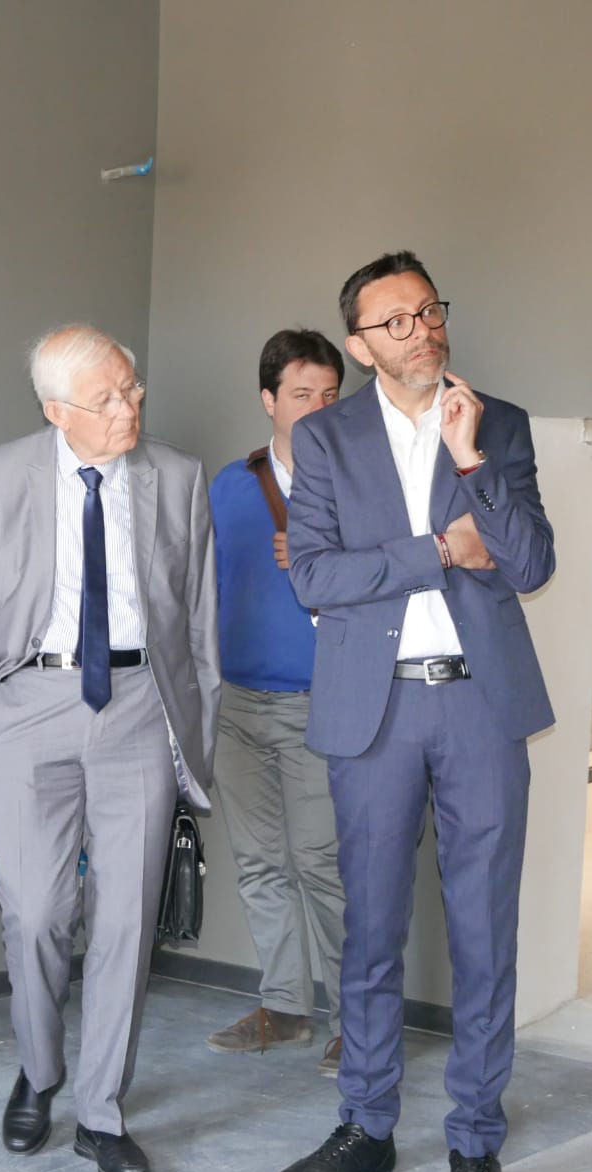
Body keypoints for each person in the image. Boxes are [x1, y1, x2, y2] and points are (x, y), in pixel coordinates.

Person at [278, 253, 554, 1172]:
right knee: (371, 929)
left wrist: (471, 460)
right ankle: (366, 1124)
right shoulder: (325, 438)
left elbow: (528, 562)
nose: (422, 330)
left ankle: (475, 1137)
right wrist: (439, 549)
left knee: (484, 930)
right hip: (376, 708)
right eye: (395, 320)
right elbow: (314, 575)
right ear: (360, 346)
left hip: (482, 704)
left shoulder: (498, 422)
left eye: (429, 310)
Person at [0, 324, 220, 1172]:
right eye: (107, 398)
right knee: (33, 912)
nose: (130, 406)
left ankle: (101, 1112)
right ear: (57, 410)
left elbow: (200, 621)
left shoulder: (178, 476)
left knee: (127, 921)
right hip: (30, 705)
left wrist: (192, 732)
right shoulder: (0, 474)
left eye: (131, 388)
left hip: (139, 707)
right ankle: (39, 1069)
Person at [204, 329, 348, 1076]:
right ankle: (287, 1006)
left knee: (323, 865)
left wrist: (329, 565)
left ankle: (356, 1024)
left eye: (330, 395)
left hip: (317, 705)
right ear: (269, 400)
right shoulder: (229, 486)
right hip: (234, 704)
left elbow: (400, 587)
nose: (318, 410)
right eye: (301, 395)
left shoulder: (360, 488)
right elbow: (198, 592)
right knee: (259, 863)